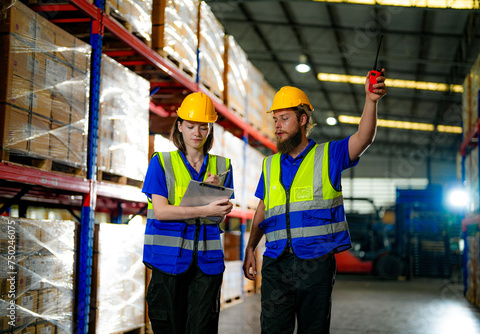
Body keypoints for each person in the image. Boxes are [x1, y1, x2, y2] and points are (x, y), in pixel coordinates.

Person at [243, 70, 387, 333]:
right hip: (276, 262)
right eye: (275, 120)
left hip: (315, 263)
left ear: (303, 119)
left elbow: (363, 138)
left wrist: (371, 101)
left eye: (284, 119)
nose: (277, 126)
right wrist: (250, 248)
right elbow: (263, 209)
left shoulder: (329, 155)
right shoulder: (270, 164)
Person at [142, 92, 234, 334]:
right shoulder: (161, 163)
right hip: (167, 261)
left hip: (207, 263)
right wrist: (206, 206)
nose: (197, 133)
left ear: (210, 129)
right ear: (179, 126)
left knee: (202, 329)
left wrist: (219, 205)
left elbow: (218, 217)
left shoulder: (223, 166)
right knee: (168, 327)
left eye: (203, 127)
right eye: (191, 126)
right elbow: (161, 212)